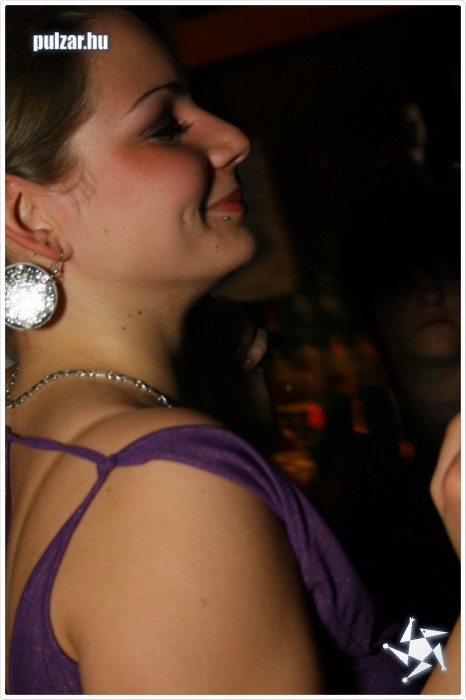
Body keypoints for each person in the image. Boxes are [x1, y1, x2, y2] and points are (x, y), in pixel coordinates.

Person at [4, 6, 461, 695]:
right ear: (29, 216)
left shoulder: (41, 442)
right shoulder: (161, 482)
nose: (234, 139)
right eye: (163, 126)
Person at [317, 184, 461, 632]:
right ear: (369, 308)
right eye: (403, 281)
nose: (430, 294)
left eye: (448, 273)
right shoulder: (355, 462)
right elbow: (386, 639)